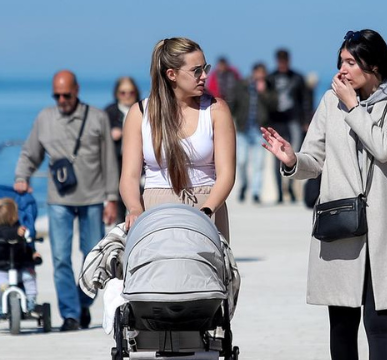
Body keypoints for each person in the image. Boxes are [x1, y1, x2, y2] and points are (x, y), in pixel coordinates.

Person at [262, 29, 387, 360]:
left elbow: (385, 147)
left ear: (372, 65)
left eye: (350, 62)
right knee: (341, 323)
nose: (342, 70)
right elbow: (314, 157)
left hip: (385, 225)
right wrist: (291, 160)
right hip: (341, 223)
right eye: (340, 61)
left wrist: (353, 107)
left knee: (380, 320)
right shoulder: (330, 101)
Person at [13, 70, 119, 332]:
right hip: (58, 199)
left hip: (93, 197)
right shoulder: (45, 118)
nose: (62, 100)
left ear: (77, 90)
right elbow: (31, 152)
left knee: (93, 258)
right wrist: (21, 176)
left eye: (66, 95)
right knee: (60, 258)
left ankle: (83, 303)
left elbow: (109, 160)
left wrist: (112, 198)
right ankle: (70, 315)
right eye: (57, 95)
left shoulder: (97, 117)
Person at [121, 37, 236, 240]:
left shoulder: (216, 110)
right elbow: (129, 176)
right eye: (196, 71)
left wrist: (208, 210)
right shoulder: (139, 113)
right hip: (154, 210)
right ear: (171, 74)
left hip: (206, 207)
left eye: (205, 68)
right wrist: (134, 208)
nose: (204, 77)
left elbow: (226, 173)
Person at [229, 63, 278, 204]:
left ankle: (256, 192)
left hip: (259, 131)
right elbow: (233, 104)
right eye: (259, 73)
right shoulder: (242, 86)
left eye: (263, 73)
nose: (261, 76)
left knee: (259, 163)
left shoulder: (269, 87)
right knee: (242, 161)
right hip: (243, 129)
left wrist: (264, 93)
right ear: (254, 73)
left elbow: (274, 106)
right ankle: (244, 185)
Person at [269, 48, 313, 204]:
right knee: (277, 158)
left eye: (284, 60)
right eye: (280, 60)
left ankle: (293, 188)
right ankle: (280, 193)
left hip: (294, 120)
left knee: (293, 155)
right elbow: (264, 102)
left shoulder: (297, 78)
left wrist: (307, 121)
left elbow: (306, 100)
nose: (282, 63)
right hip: (276, 122)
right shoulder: (271, 78)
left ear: (288, 60)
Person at [0, 197, 41, 319]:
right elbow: (3, 233)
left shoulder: (18, 229)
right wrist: (15, 233)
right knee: (2, 285)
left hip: (17, 268)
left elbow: (23, 247)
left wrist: (32, 254)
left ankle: (31, 301)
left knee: (29, 276)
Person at [105, 76, 141, 222]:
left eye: (130, 93)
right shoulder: (109, 113)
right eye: (123, 93)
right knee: (119, 213)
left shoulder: (143, 109)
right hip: (116, 167)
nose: (127, 96)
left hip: (141, 169)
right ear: (116, 94)